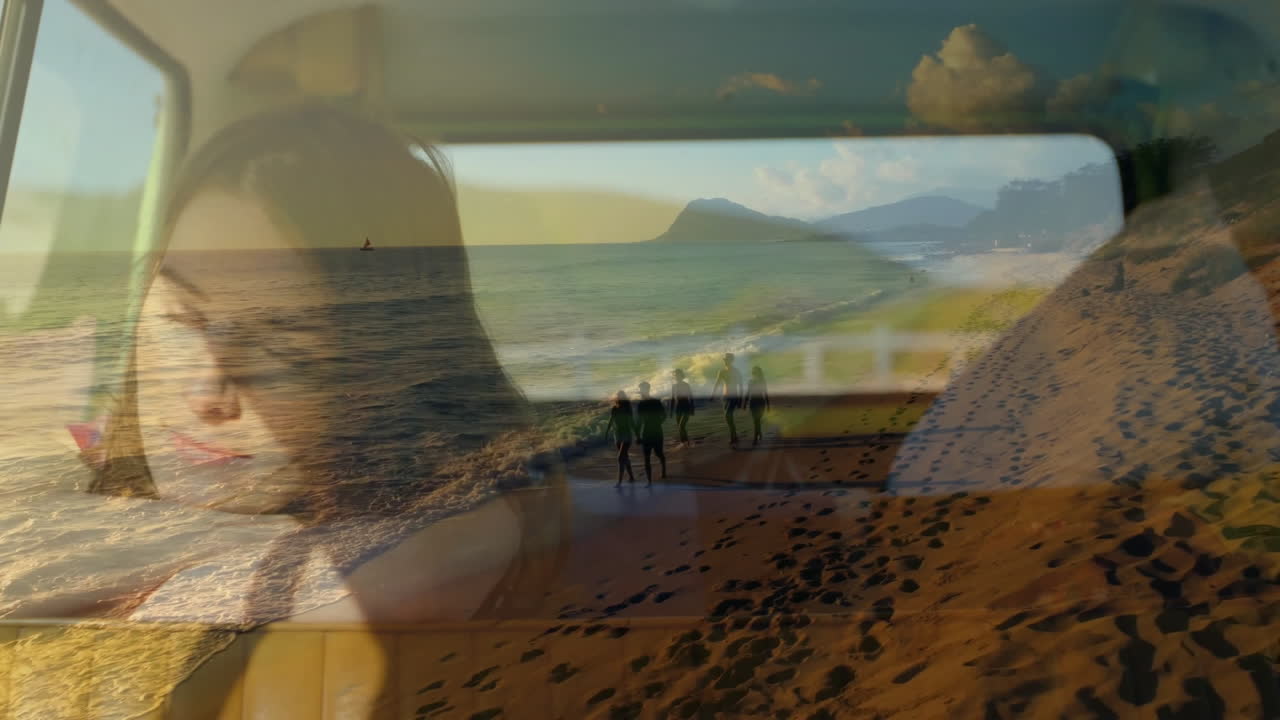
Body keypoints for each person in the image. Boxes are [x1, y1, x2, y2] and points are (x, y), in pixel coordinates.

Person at [44, 103, 570, 715]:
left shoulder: (393, 567)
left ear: (388, 366)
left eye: (282, 343)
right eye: (182, 317)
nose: (205, 392)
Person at [635, 381, 667, 484]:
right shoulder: (655, 402)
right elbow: (664, 416)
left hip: (648, 432)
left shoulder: (642, 404)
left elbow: (639, 422)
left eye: (641, 390)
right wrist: (658, 423)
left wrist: (638, 436)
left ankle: (652, 479)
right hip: (656, 431)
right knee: (656, 454)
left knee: (650, 456)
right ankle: (652, 478)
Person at [709, 352, 743, 447]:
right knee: (728, 417)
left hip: (734, 396)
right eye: (724, 360)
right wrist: (713, 395)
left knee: (728, 416)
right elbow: (717, 383)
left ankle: (733, 437)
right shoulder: (722, 371)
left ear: (731, 360)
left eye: (727, 359)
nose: (725, 361)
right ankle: (734, 436)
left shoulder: (736, 371)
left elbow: (740, 386)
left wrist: (740, 399)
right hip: (725, 397)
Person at [604, 390, 638, 486]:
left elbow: (632, 422)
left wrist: (637, 435)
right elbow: (611, 420)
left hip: (627, 434)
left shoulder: (627, 409)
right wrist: (607, 432)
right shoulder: (614, 408)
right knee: (625, 457)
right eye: (618, 396)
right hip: (617, 435)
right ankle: (631, 477)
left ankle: (619, 481)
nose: (619, 398)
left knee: (620, 457)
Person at [746, 365, 771, 447]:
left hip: (759, 402)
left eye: (756, 372)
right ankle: (757, 435)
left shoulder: (762, 381)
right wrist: (744, 403)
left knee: (757, 420)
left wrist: (768, 405)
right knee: (756, 420)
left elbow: (765, 393)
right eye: (754, 372)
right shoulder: (751, 381)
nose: (755, 373)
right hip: (754, 402)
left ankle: (757, 436)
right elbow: (748, 393)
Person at [669, 368, 694, 446]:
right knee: (680, 427)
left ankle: (685, 442)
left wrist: (692, 409)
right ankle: (684, 442)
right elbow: (673, 399)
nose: (676, 376)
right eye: (675, 375)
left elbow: (691, 397)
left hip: (686, 407)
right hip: (678, 408)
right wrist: (671, 411)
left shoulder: (686, 385)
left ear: (681, 375)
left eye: (678, 375)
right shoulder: (674, 386)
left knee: (681, 426)